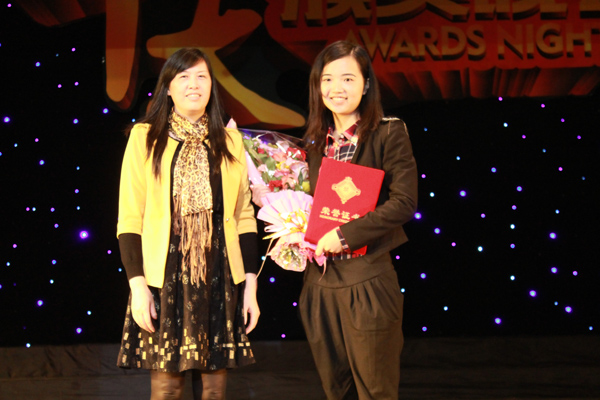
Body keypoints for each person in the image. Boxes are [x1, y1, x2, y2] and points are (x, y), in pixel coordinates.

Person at [116, 47, 260, 400]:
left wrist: (251, 285)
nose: (193, 84)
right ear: (168, 88)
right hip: (164, 276)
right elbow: (130, 216)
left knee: (214, 390)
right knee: (167, 389)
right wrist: (137, 286)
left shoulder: (230, 141)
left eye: (201, 77)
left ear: (211, 86)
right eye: (183, 77)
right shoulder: (144, 137)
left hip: (219, 273)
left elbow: (244, 215)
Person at [300, 40, 417, 399]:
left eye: (348, 79)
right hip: (319, 284)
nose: (337, 88)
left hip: (366, 277)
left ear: (366, 85)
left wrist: (345, 235)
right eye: (328, 79)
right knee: (335, 390)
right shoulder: (314, 142)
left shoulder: (388, 132)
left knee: (375, 390)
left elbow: (404, 202)